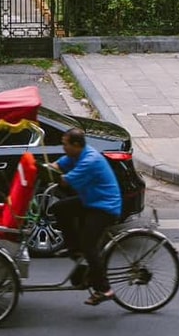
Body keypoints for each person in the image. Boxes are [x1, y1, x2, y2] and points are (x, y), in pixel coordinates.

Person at [48, 128, 123, 306]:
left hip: (104, 206)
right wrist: (44, 166)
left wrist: (49, 174)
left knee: (89, 245)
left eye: (65, 144)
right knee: (59, 208)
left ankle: (105, 289)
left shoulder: (89, 160)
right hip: (90, 200)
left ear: (76, 145)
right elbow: (58, 165)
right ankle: (74, 248)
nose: (62, 147)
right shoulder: (75, 155)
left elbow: (65, 180)